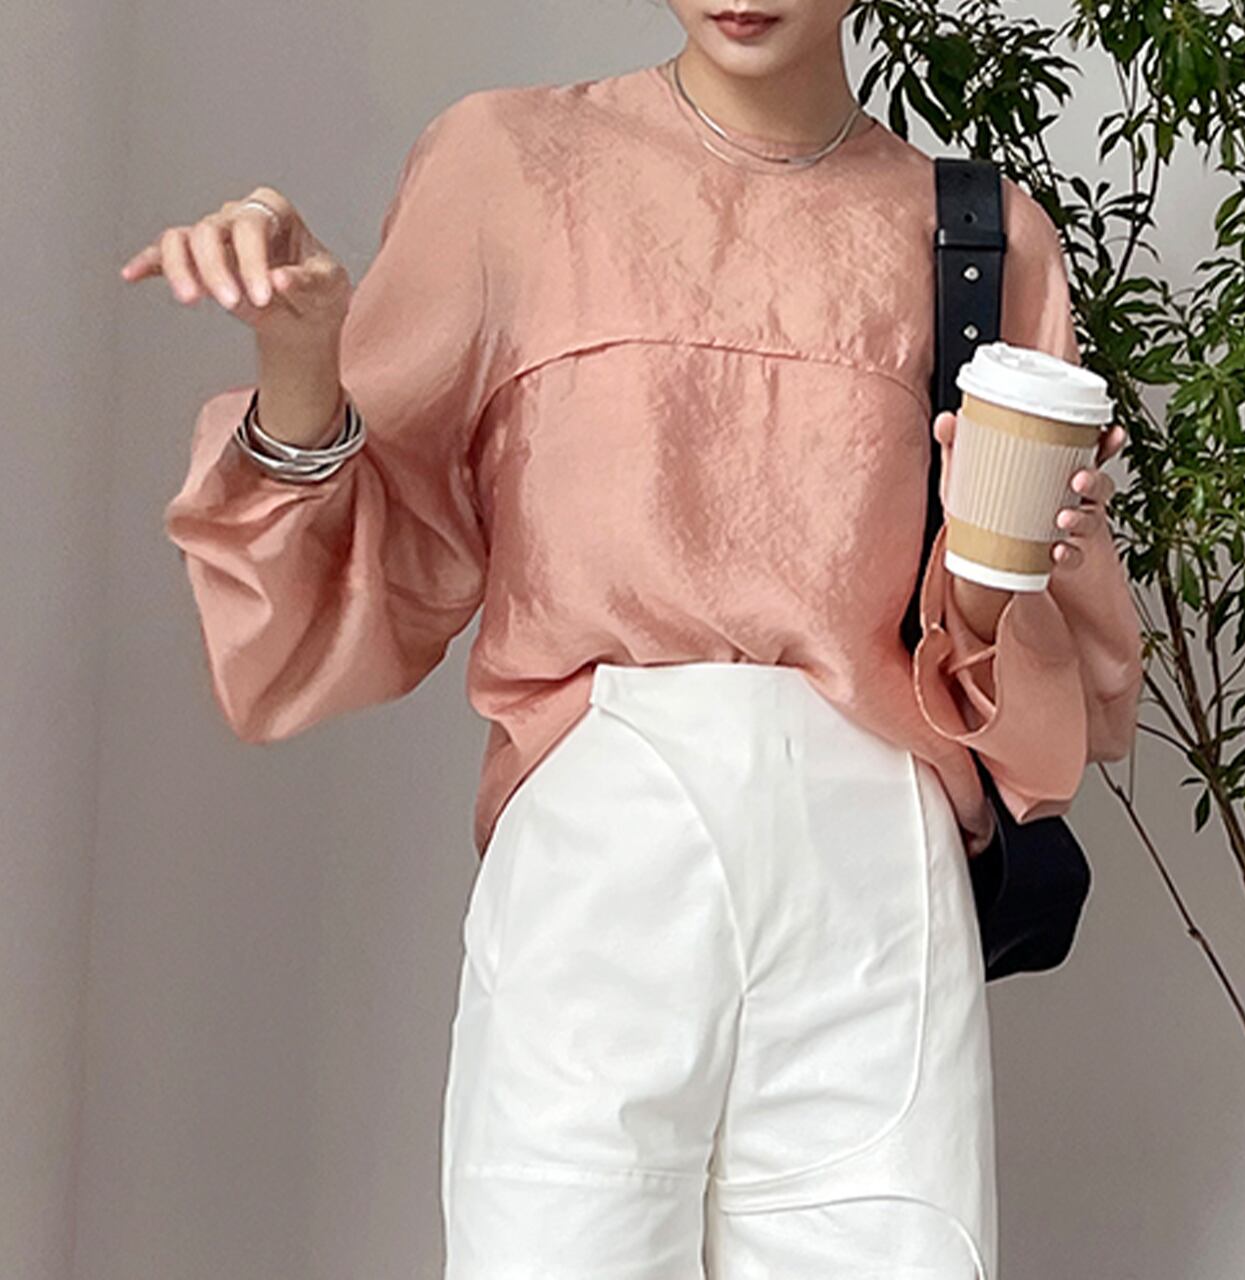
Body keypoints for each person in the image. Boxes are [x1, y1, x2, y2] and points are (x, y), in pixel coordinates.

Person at [120, 2, 1144, 1275]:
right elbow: (372, 566)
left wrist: (1024, 558)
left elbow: (1012, 685)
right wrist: (300, 356)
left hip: (875, 885)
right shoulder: (509, 168)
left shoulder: (978, 239)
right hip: (601, 858)